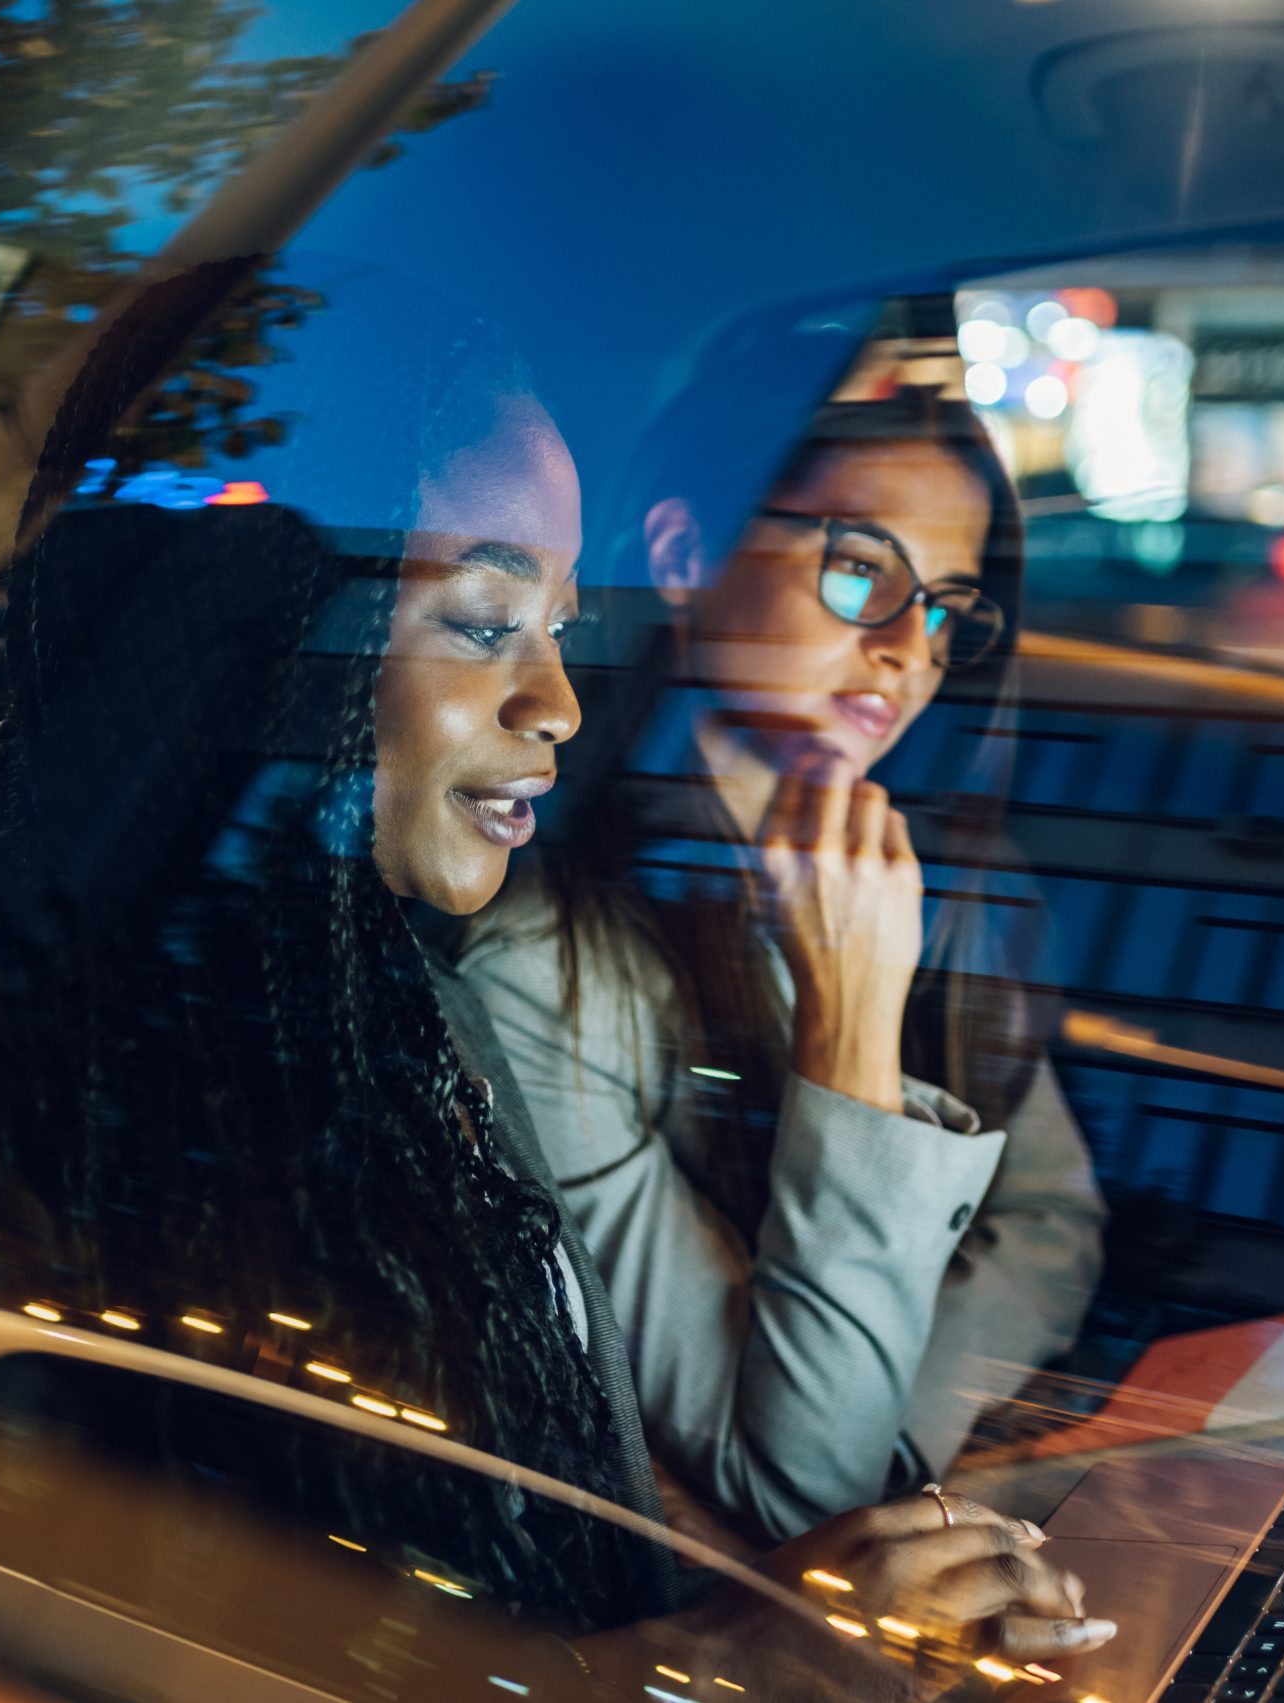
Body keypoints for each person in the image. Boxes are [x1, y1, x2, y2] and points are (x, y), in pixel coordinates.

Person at [0, 266, 1111, 1666]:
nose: (557, 702)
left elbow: (573, 1531)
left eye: (560, 624)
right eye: (485, 619)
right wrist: (762, 1650)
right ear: (269, 621)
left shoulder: (383, 1006)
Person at [459, 312, 1107, 1541]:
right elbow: (802, 1484)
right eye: (863, 569)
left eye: (949, 613)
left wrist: (902, 1434)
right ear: (685, 549)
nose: (908, 652)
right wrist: (850, 1043)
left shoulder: (932, 876)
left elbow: (1056, 1221)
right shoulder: (547, 963)